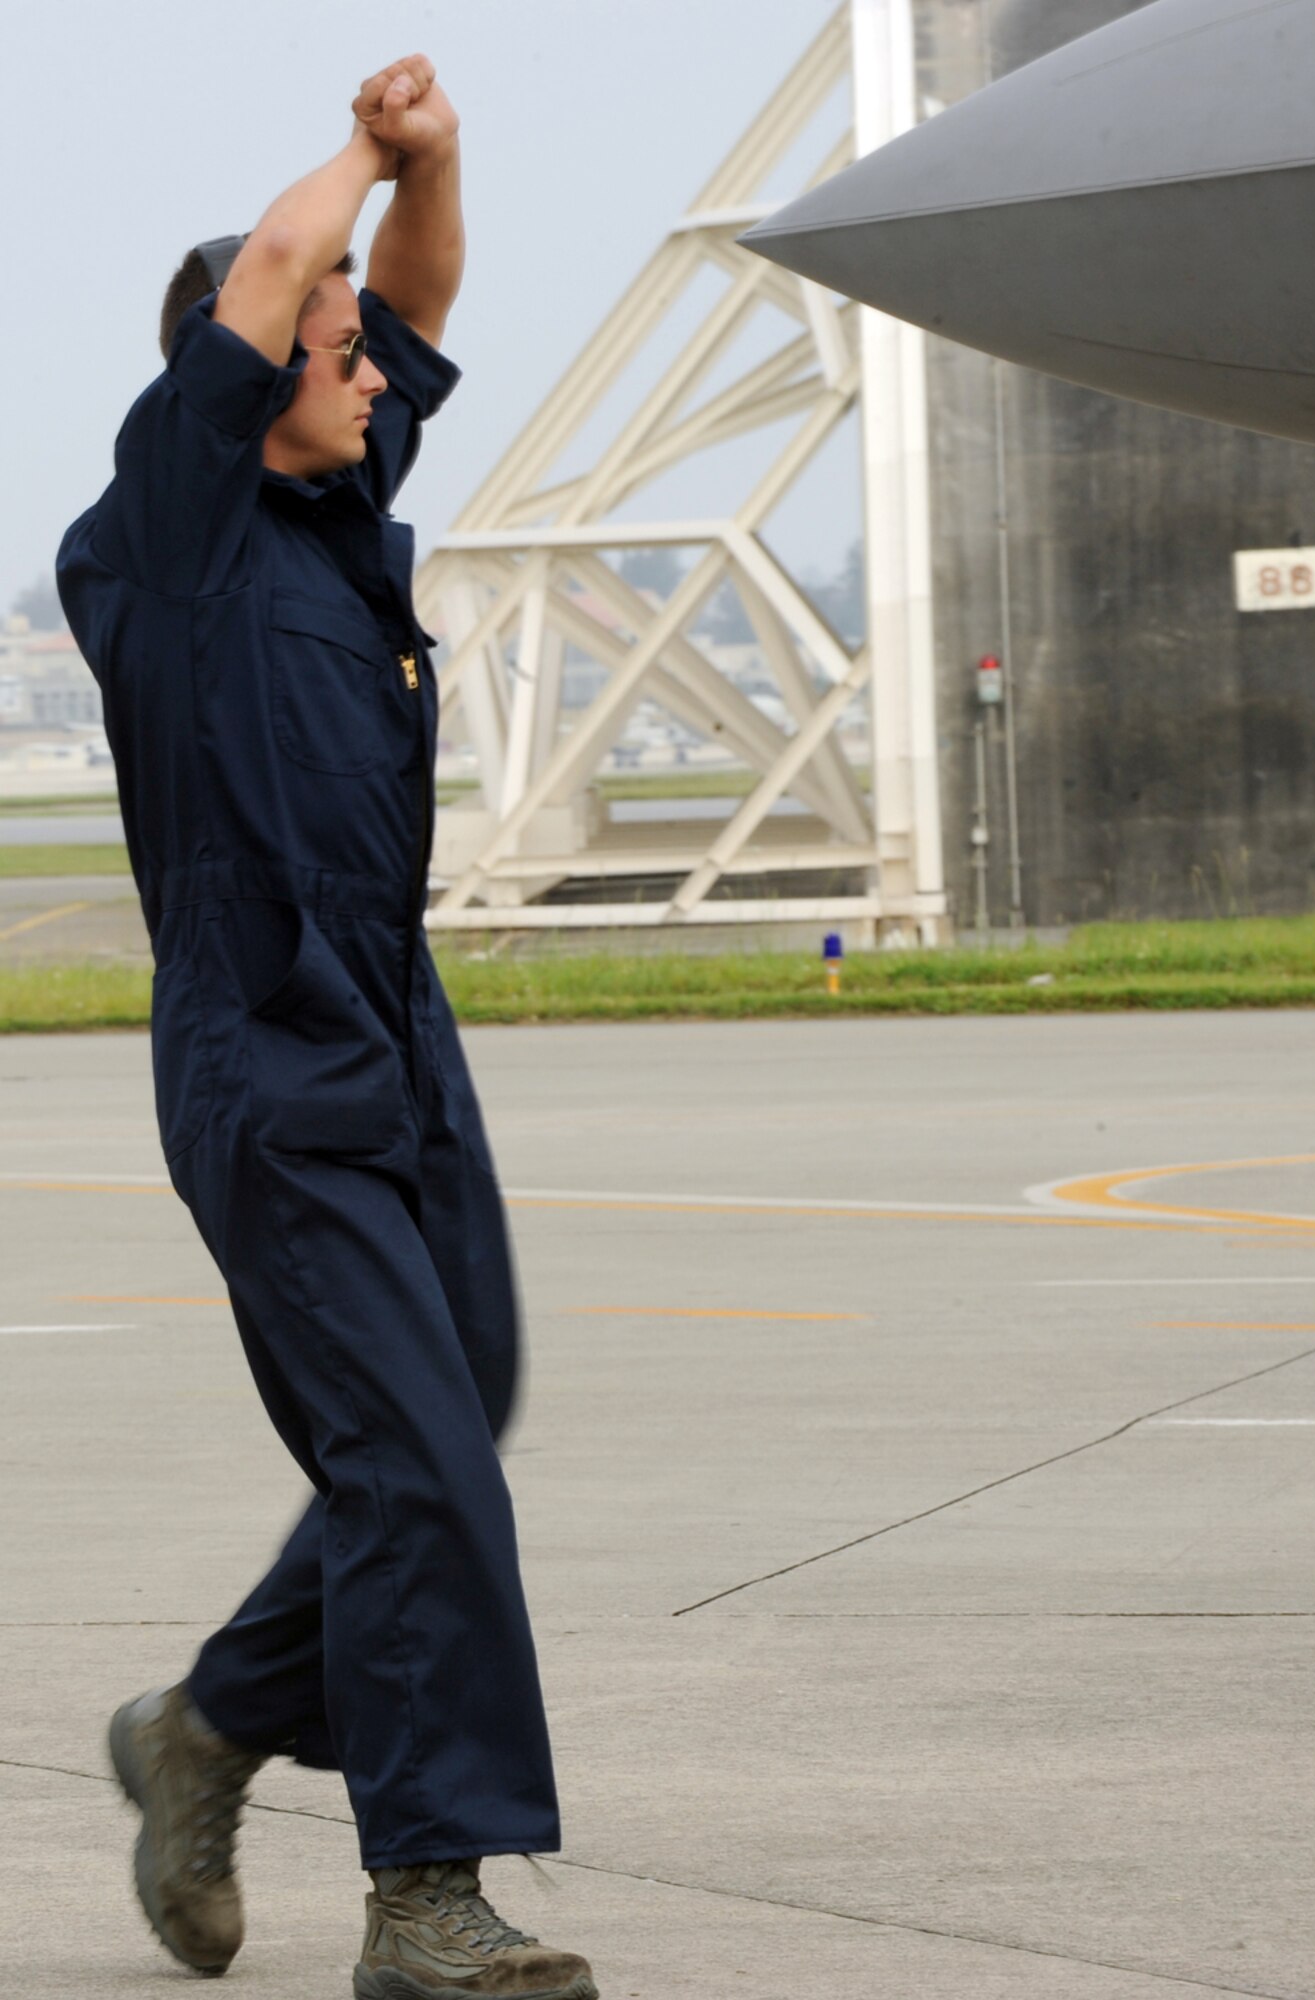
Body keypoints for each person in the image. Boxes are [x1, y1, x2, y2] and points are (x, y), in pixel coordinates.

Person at [57, 56, 598, 2000]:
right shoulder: (166, 537)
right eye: (337, 348)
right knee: (425, 1472)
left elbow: (416, 299)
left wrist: (434, 169)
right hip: (266, 1058)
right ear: (249, 362)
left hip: (394, 1027)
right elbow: (293, 261)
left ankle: (206, 1724)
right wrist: (360, 160)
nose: (375, 371)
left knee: (453, 1419)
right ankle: (426, 1892)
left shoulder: (339, 512)